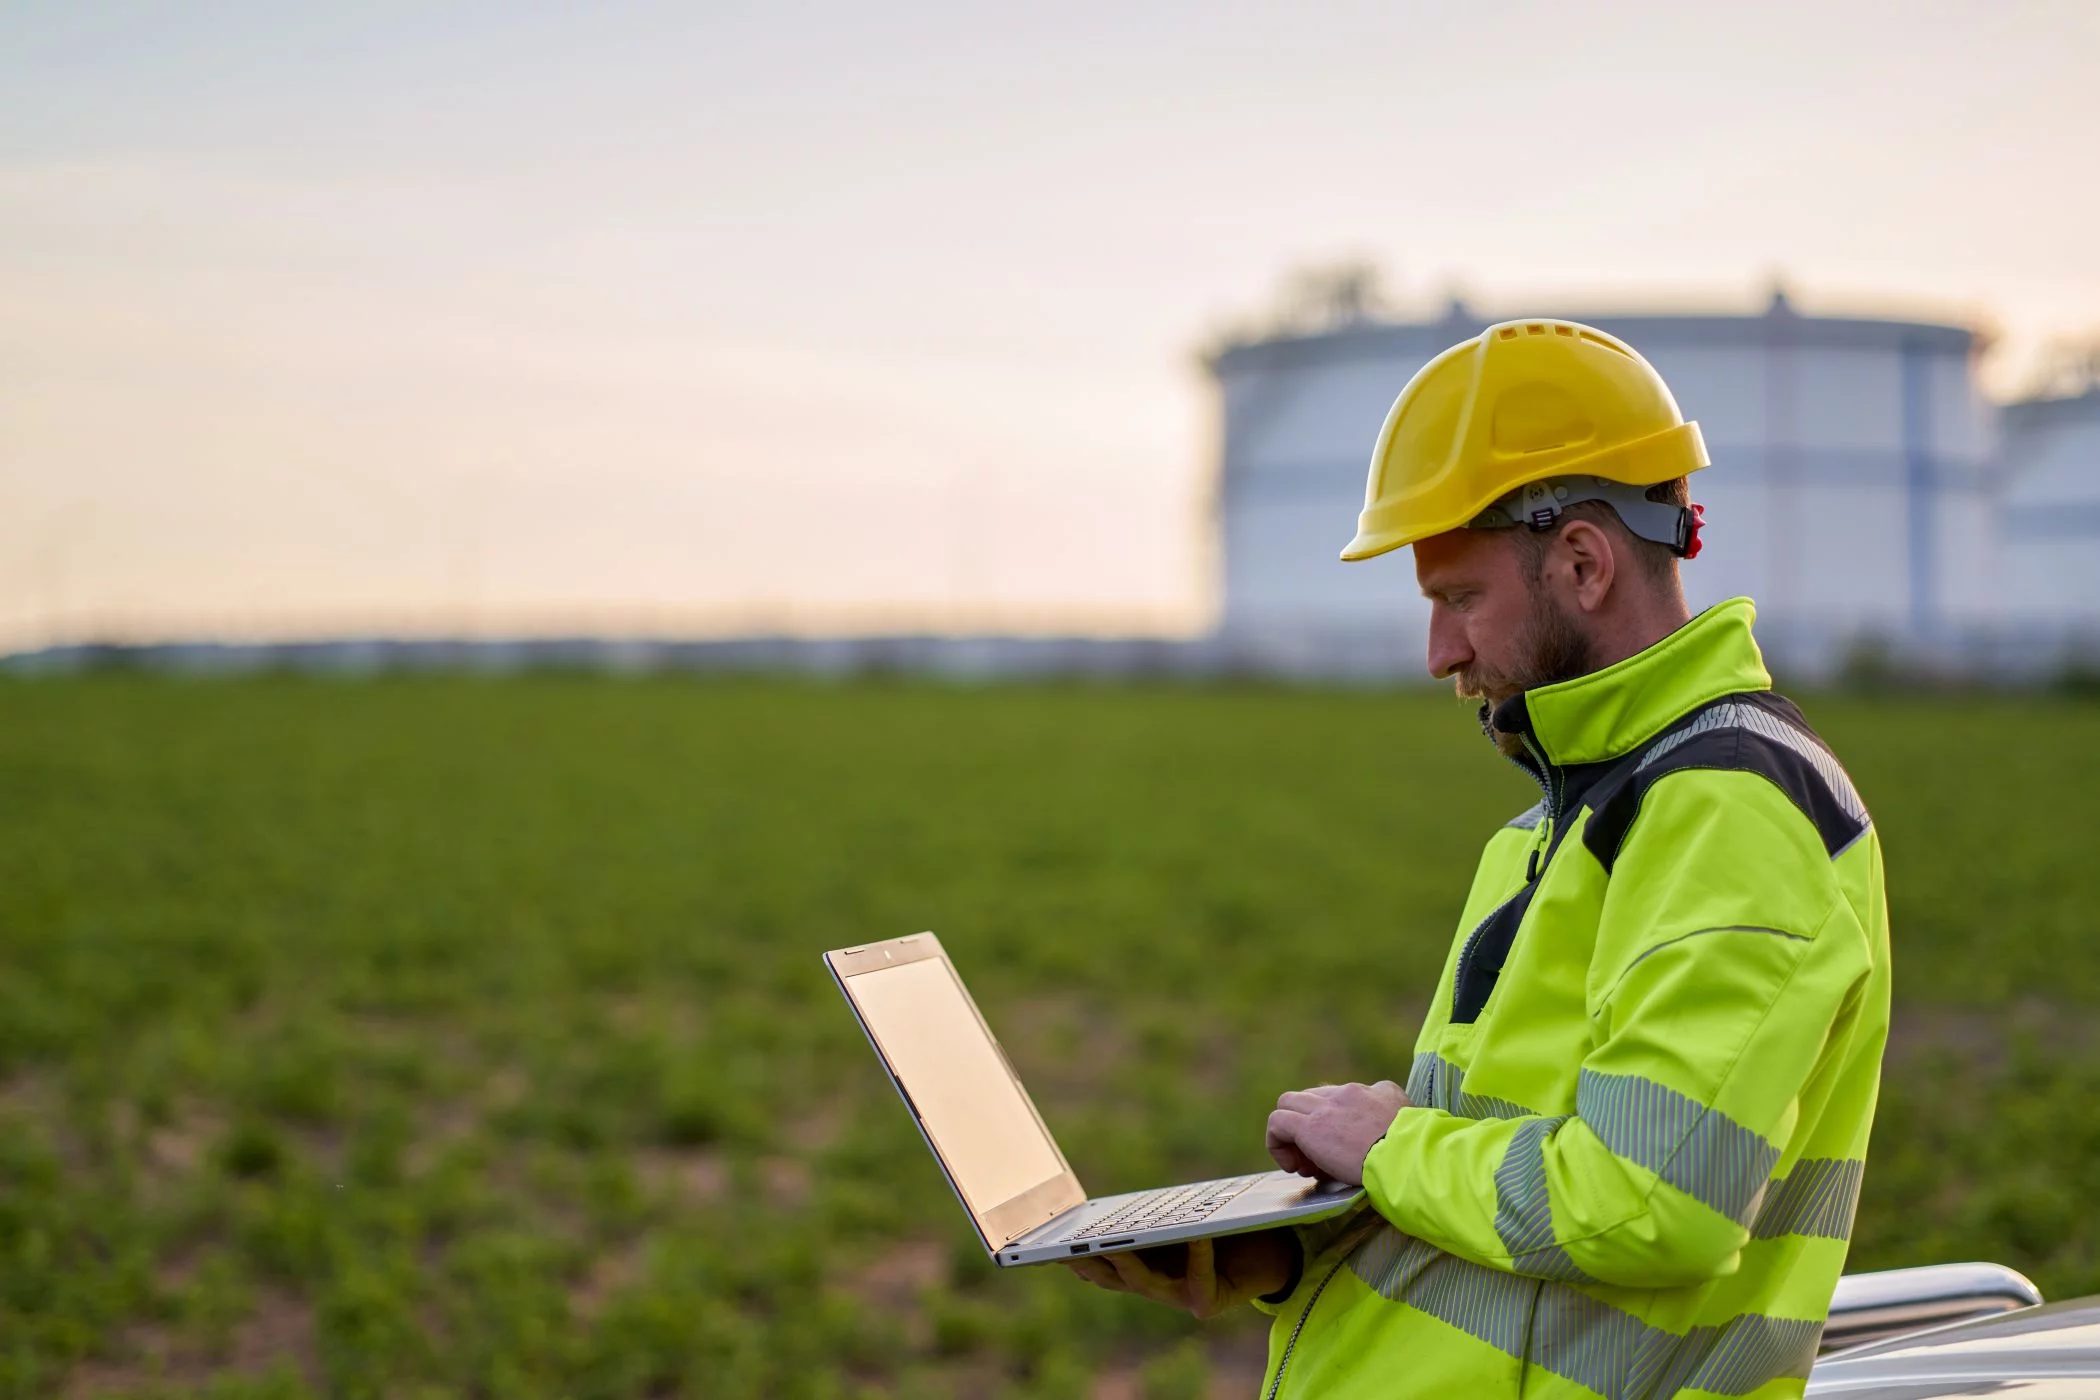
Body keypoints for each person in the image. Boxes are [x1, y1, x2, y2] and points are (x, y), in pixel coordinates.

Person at [1066, 319, 1892, 1400]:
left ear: (1584, 562)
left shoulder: (1727, 811)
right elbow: (1515, 1205)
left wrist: (1385, 1145)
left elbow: (1648, 1201)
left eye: (1458, 598)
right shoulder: (1568, 819)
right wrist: (1290, 1249)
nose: (1439, 652)